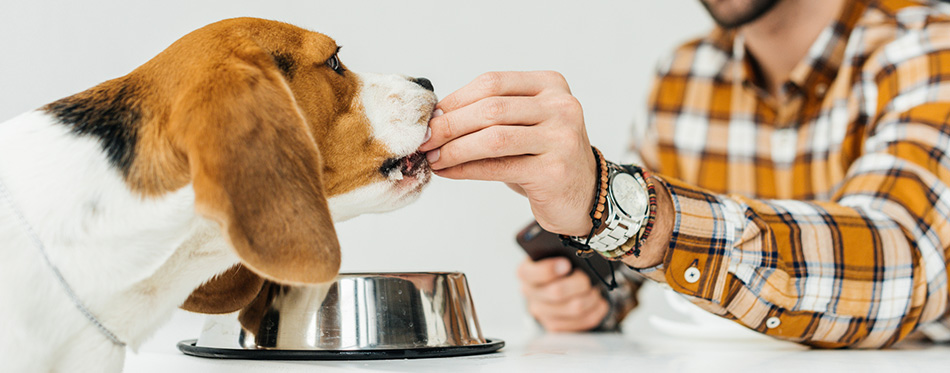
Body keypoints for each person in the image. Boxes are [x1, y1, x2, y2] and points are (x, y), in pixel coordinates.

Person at [418, 0, 950, 348]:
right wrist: (585, 289)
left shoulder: (932, 49)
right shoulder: (685, 75)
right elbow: (632, 265)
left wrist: (617, 204)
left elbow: (906, 258)